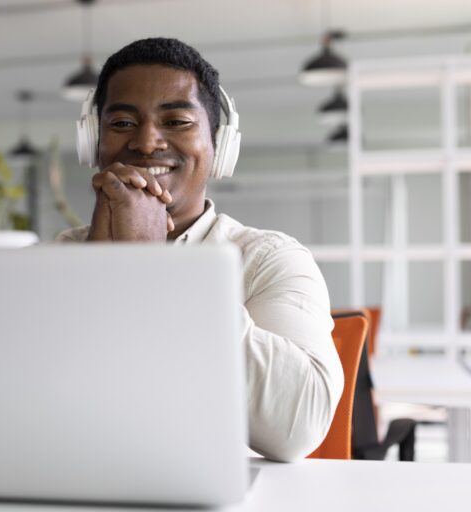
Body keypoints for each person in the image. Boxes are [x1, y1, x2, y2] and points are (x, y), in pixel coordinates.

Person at [56, 37, 344, 462]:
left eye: (176, 121)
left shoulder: (268, 260)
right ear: (93, 145)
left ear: (219, 148)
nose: (147, 142)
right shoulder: (57, 260)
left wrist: (158, 269)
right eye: (121, 124)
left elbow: (299, 428)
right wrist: (103, 270)